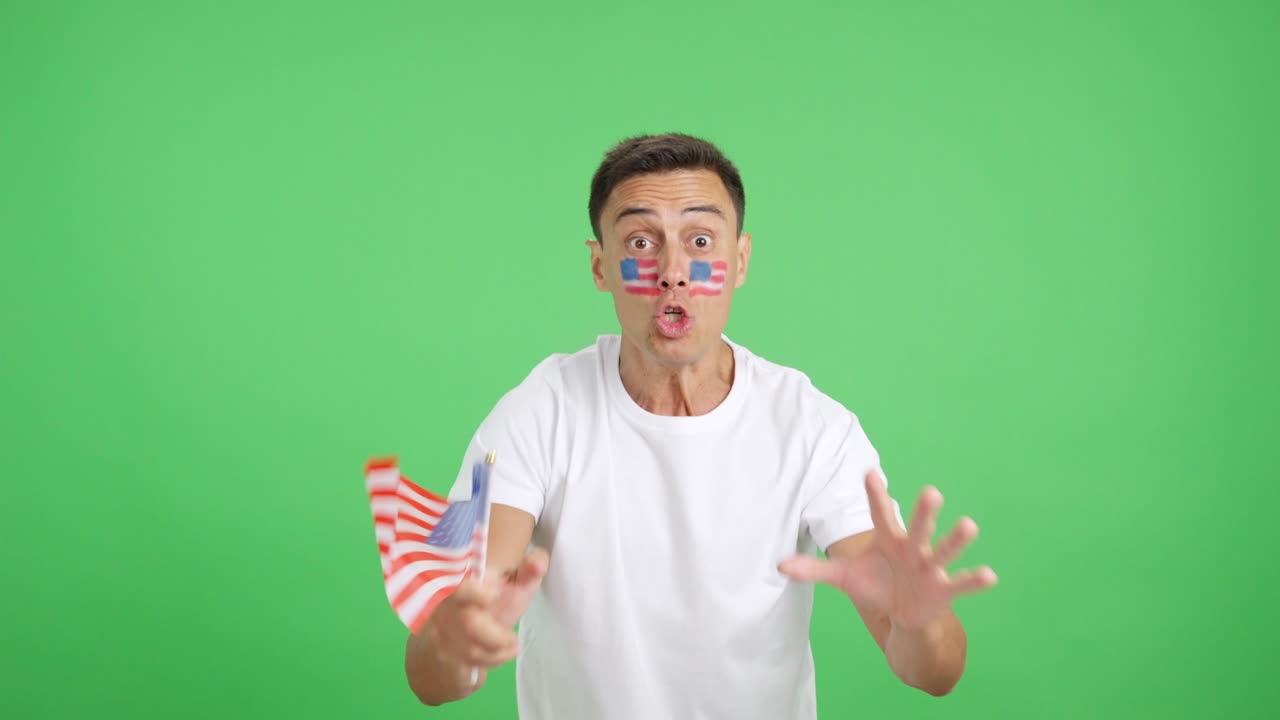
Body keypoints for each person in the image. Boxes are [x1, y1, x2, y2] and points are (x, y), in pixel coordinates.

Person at [403, 133, 998, 719]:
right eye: (641, 242)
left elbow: (933, 672)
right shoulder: (538, 412)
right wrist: (451, 641)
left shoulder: (814, 427)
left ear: (739, 261)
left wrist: (920, 623)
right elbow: (435, 671)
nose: (672, 272)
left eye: (701, 241)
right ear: (600, 266)